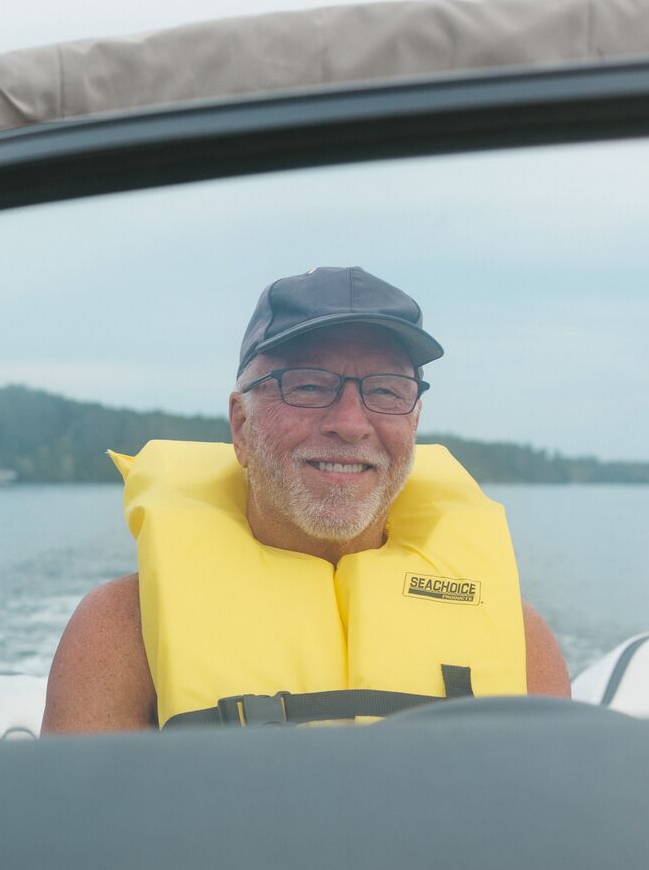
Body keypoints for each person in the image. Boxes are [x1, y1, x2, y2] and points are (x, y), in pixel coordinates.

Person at [44, 266, 570, 733]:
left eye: (386, 390)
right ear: (241, 425)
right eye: (310, 386)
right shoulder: (121, 631)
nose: (349, 424)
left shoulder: (523, 642)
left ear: (414, 423)